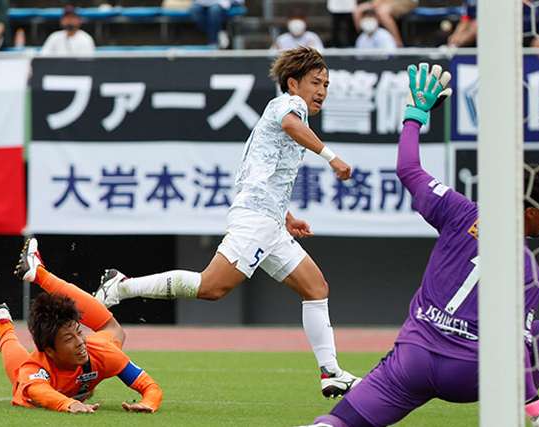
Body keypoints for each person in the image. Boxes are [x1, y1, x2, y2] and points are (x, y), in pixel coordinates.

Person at [302, 63, 539, 427]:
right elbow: (516, 348)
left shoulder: (460, 211)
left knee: (338, 422)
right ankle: (514, 415)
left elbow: (408, 169)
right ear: (530, 212)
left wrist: (414, 117)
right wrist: (537, 412)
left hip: (414, 357)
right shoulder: (527, 269)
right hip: (468, 373)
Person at [95, 46, 360, 398]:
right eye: (316, 82)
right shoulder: (288, 106)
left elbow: (260, 172)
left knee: (316, 288)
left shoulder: (284, 113)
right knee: (211, 287)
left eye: (326, 84)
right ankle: (121, 287)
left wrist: (287, 217)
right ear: (293, 84)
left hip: (270, 221)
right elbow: (289, 124)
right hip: (256, 221)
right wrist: (332, 157)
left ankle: (331, 372)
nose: (322, 91)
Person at [0, 238, 162, 413]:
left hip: (100, 347)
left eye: (79, 332)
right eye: (68, 339)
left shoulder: (100, 351)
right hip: (35, 375)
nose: (80, 342)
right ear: (50, 351)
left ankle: (39, 274)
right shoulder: (33, 368)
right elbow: (38, 391)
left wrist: (149, 403)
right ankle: (3, 324)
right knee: (18, 374)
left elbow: (150, 387)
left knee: (114, 331)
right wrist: (69, 404)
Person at [448, 0, 539, 48]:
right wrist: (457, 34)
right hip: (504, 35)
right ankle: (452, 49)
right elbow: (465, 20)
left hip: (533, 36)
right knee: (476, 26)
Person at [352, 0, 417, 47]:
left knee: (383, 12)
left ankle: (398, 44)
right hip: (383, 2)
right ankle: (363, 42)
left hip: (405, 1)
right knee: (357, 11)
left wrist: (378, 2)